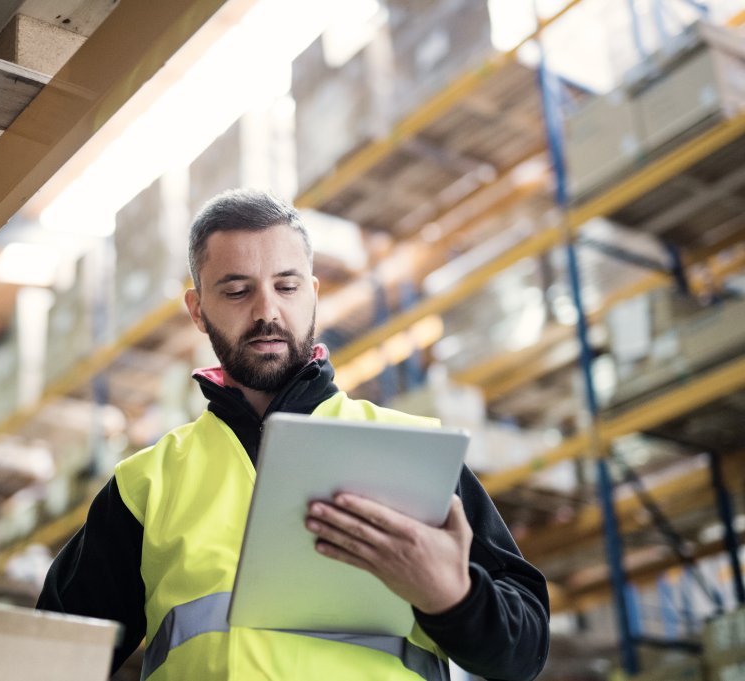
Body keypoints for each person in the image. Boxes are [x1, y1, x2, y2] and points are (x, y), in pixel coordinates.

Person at [37, 189, 550, 681]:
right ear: (197, 311)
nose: (266, 311)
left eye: (286, 286)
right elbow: (47, 660)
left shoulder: (412, 451)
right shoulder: (145, 488)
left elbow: (524, 652)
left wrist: (454, 597)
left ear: (312, 293)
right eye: (237, 290)